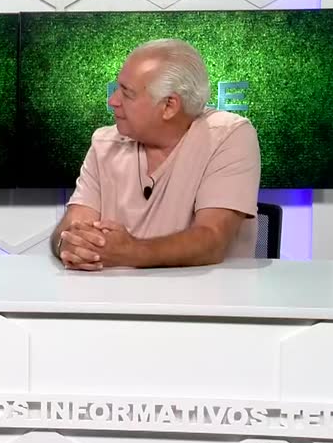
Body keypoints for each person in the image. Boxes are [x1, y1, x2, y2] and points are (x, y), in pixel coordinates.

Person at [50, 38, 261, 270]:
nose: (113, 101)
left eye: (127, 93)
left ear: (169, 105)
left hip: (205, 291)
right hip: (115, 291)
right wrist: (68, 244)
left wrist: (131, 252)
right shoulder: (104, 143)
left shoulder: (228, 136)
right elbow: (74, 223)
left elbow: (212, 240)